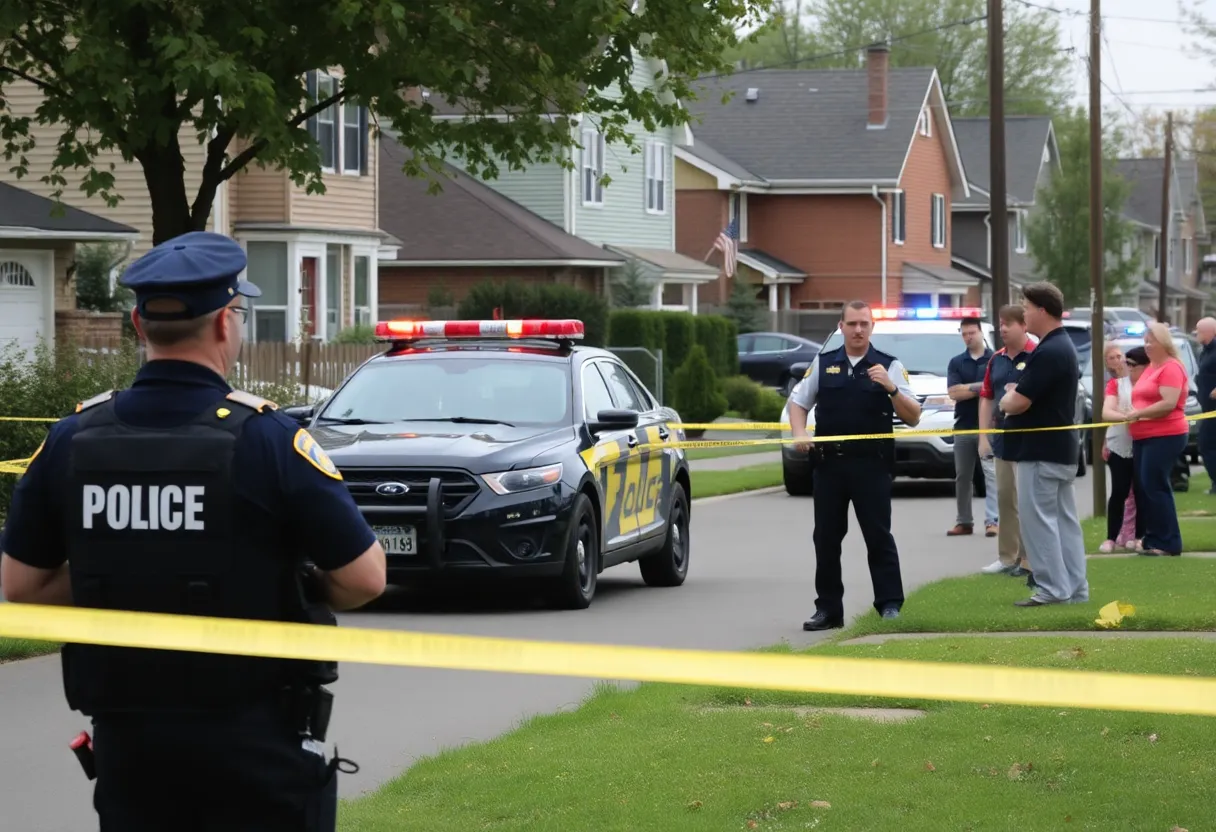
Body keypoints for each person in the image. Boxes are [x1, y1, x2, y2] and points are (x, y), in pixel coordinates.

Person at [0, 231, 387, 831]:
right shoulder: (268, 439)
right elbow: (364, 578)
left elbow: (21, 589)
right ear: (225, 324)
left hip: (132, 750)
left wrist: (131, 575)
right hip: (257, 743)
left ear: (137, 323)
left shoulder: (71, 440)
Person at [788, 300, 922, 631]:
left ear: (872, 327)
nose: (858, 330)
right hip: (830, 466)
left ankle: (890, 605)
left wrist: (891, 388)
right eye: (852, 324)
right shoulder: (824, 363)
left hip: (871, 466)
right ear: (841, 326)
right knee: (826, 540)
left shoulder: (888, 365)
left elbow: (914, 416)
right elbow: (798, 402)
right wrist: (799, 432)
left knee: (878, 537)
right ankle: (828, 610)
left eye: (864, 323)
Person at [997, 282, 1089, 607]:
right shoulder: (1062, 347)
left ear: (1041, 310)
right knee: (1064, 523)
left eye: (1025, 307)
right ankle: (1075, 590)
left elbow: (1018, 402)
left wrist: (1007, 397)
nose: (1023, 312)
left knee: (1039, 523)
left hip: (1040, 451)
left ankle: (1052, 589)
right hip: (1059, 449)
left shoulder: (1048, 351)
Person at [1121, 322, 1190, 556]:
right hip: (1144, 436)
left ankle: (1169, 542)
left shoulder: (1171, 367)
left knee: (1156, 486)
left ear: (1164, 343)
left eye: (1152, 341)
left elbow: (1168, 403)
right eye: (1146, 341)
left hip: (1165, 435)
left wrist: (1139, 413)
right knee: (1145, 487)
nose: (1147, 345)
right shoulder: (1151, 367)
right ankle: (1153, 538)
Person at [977, 304, 1034, 581]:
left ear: (1024, 326)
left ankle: (1029, 557)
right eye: (1000, 323)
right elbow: (987, 396)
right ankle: (1007, 557)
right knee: (1005, 498)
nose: (1002, 329)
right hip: (1002, 439)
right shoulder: (996, 359)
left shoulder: (1037, 355)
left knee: (1028, 500)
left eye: (1008, 323)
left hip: (1030, 439)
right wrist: (983, 436)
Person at [946, 316, 998, 537]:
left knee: (991, 474)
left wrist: (969, 388)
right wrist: (982, 386)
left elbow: (998, 388)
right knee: (962, 476)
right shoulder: (956, 362)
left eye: (971, 333)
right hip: (964, 426)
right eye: (964, 334)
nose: (968, 337)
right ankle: (964, 521)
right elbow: (954, 393)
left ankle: (992, 520)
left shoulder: (996, 359)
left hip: (990, 426)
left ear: (980, 332)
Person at [1098, 344, 1144, 552]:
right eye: (1128, 363)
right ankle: (1111, 537)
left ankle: (1140, 535)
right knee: (1119, 490)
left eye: (1133, 364)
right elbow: (1107, 411)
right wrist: (1126, 416)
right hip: (1119, 442)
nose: (1128, 367)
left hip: (1144, 441)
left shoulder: (1148, 383)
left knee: (1143, 490)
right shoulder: (1116, 385)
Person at [1195, 317, 1216, 493]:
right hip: (1207, 408)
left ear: (1211, 331)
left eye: (1199, 330)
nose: (1196, 334)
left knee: (1206, 444)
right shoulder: (1205, 351)